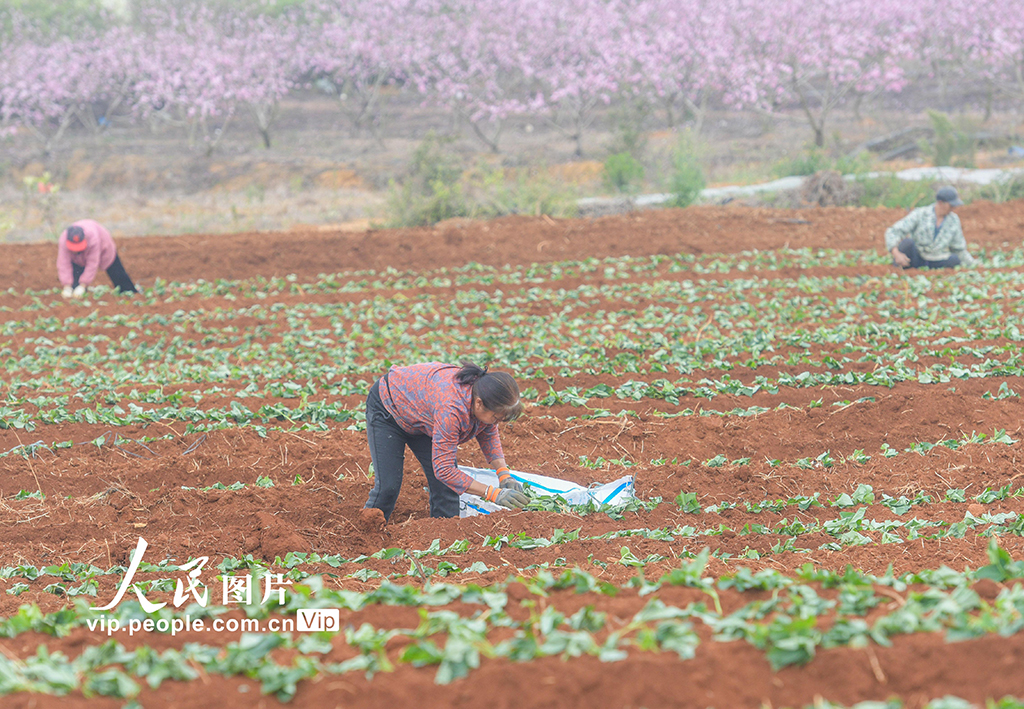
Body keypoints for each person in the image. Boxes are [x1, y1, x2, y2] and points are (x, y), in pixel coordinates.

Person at [361, 360, 528, 528]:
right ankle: (367, 536)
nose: (496, 423)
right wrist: (493, 493)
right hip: (388, 409)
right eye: (496, 417)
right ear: (479, 403)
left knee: (446, 487)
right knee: (388, 487)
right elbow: (444, 469)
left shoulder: (483, 396)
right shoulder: (451, 409)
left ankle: (443, 537)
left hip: (423, 415)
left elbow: (488, 432)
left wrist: (504, 474)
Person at [884, 186, 976, 269]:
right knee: (908, 243)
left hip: (936, 260)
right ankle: (897, 269)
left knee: (955, 260)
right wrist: (896, 253)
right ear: (940, 203)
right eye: (951, 205)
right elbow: (893, 231)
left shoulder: (954, 220)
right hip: (917, 257)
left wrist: (974, 264)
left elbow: (959, 249)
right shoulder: (920, 214)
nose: (953, 208)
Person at [57, 219, 138, 298]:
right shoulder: (63, 240)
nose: (76, 250)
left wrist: (83, 285)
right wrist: (67, 286)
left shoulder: (93, 239)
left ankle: (130, 292)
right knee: (74, 287)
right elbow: (63, 263)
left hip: (104, 248)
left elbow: (92, 264)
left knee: (117, 274)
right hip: (76, 258)